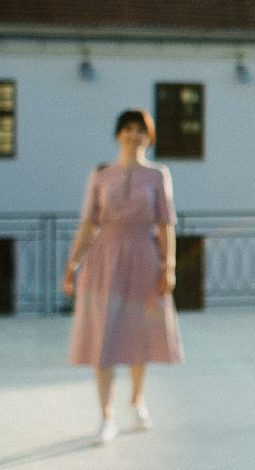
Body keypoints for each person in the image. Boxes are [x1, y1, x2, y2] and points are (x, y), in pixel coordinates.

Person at [62, 108, 183, 445]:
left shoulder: (158, 175)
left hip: (144, 256)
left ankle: (136, 400)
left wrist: (169, 266)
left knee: (138, 332)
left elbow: (166, 223)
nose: (134, 136)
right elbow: (89, 223)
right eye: (128, 129)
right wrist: (72, 264)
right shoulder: (100, 175)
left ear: (149, 137)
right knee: (103, 334)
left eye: (140, 131)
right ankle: (106, 415)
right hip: (104, 259)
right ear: (118, 134)